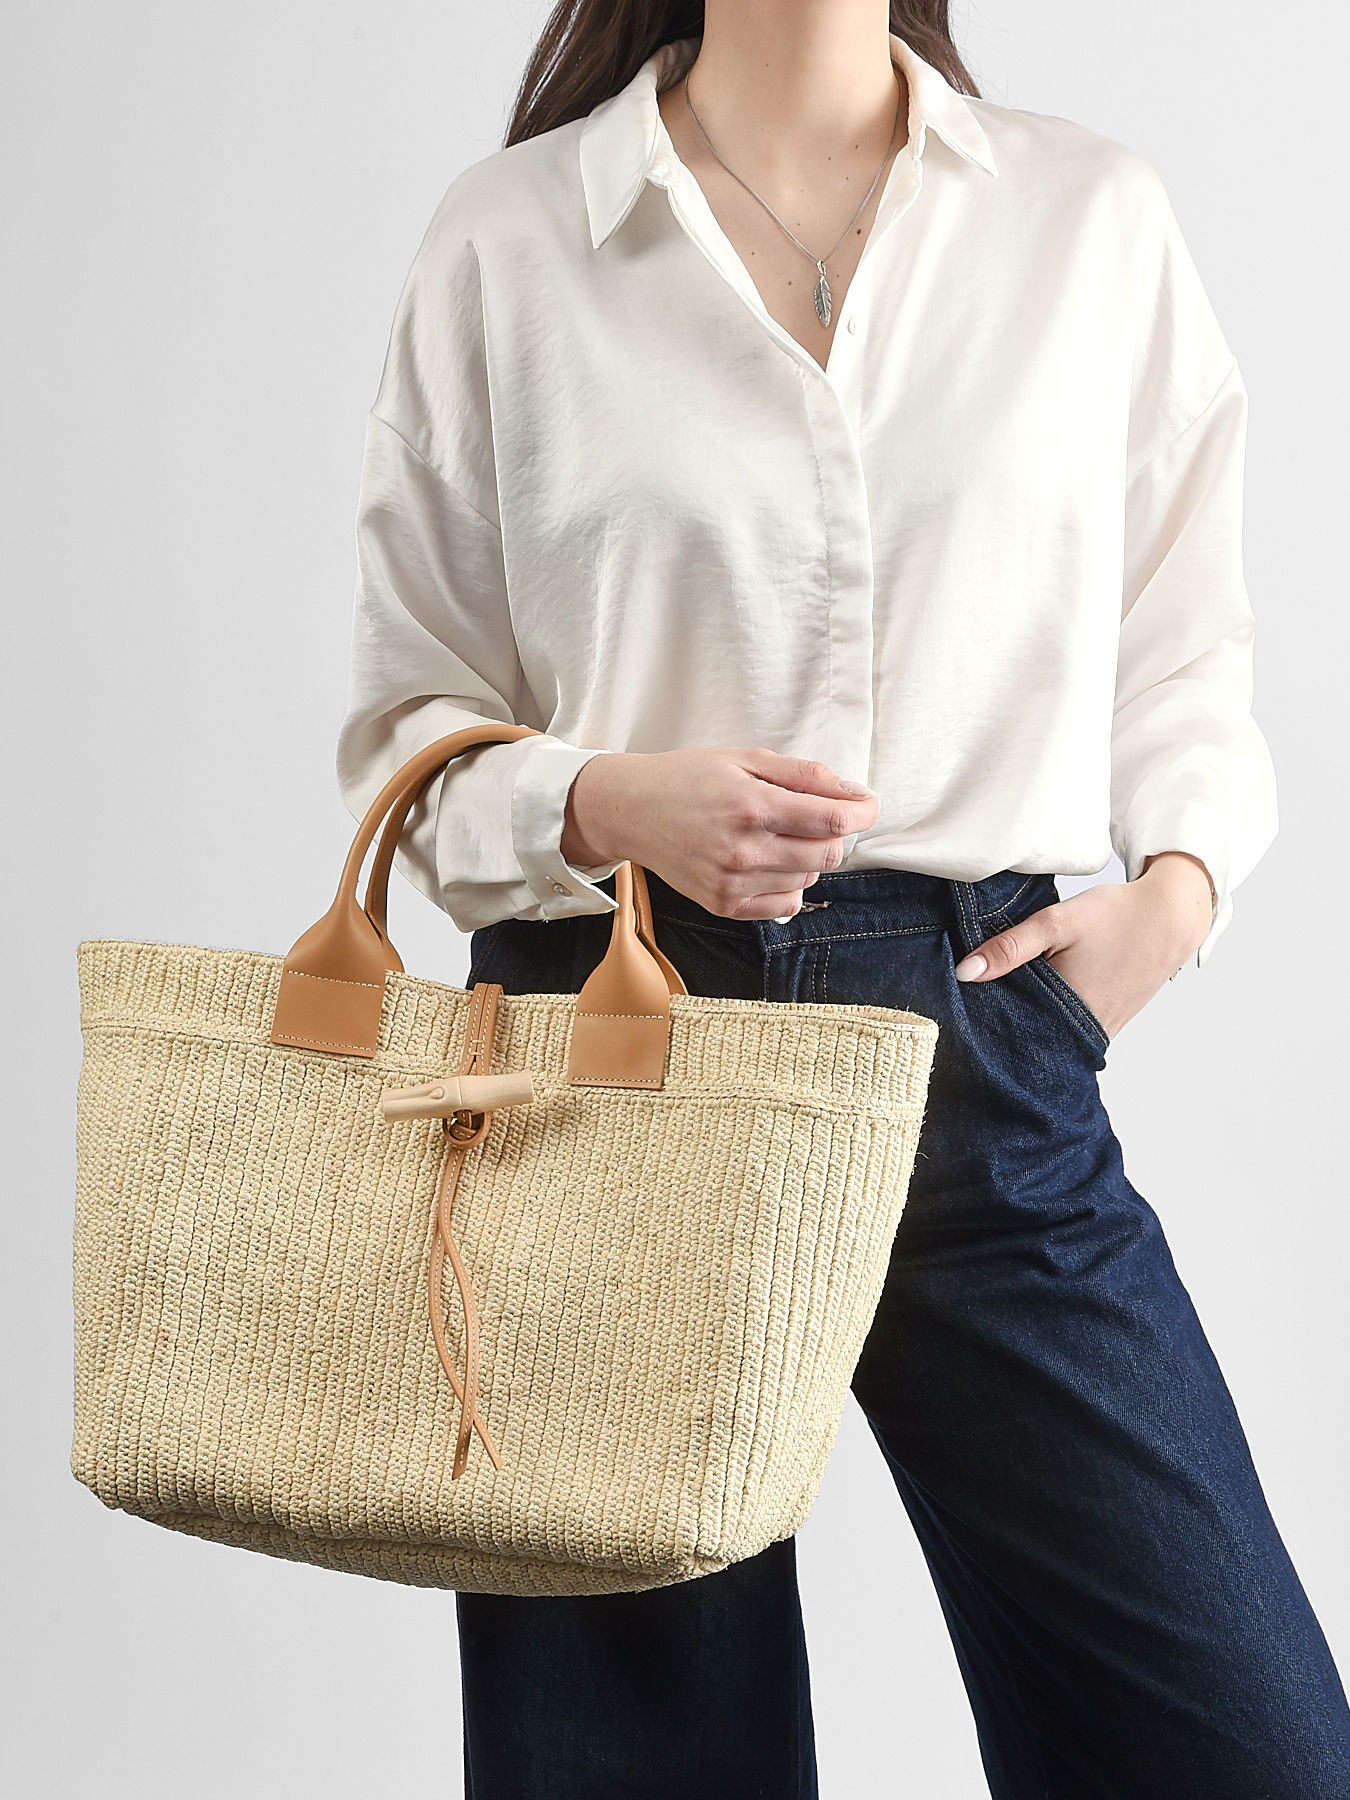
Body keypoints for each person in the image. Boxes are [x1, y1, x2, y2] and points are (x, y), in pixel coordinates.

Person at [335, 4, 1350, 1794]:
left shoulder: (1081, 216)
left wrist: (1174, 896)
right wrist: (604, 799)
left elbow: (1185, 640)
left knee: (1246, 1746)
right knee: (628, 1767)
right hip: (601, 1056)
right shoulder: (515, 235)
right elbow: (407, 727)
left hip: (979, 1037)